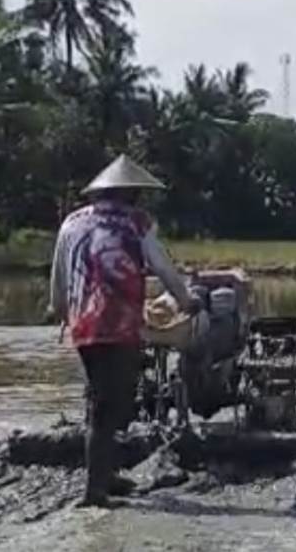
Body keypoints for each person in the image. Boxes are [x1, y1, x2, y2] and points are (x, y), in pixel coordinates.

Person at [49, 154, 197, 508]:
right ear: (130, 193)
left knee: (101, 397)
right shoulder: (136, 222)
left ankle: (106, 475)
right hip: (119, 324)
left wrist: (62, 311)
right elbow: (162, 267)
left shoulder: (71, 222)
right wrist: (186, 300)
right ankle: (94, 493)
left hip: (84, 325)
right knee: (109, 406)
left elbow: (58, 278)